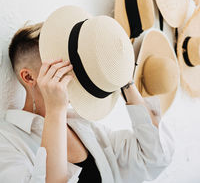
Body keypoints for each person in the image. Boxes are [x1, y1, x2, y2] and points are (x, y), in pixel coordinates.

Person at [0, 22, 174, 183]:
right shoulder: (8, 141)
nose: (72, 71)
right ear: (29, 77)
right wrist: (55, 111)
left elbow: (156, 157)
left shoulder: (86, 127)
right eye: (59, 66)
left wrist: (124, 81)